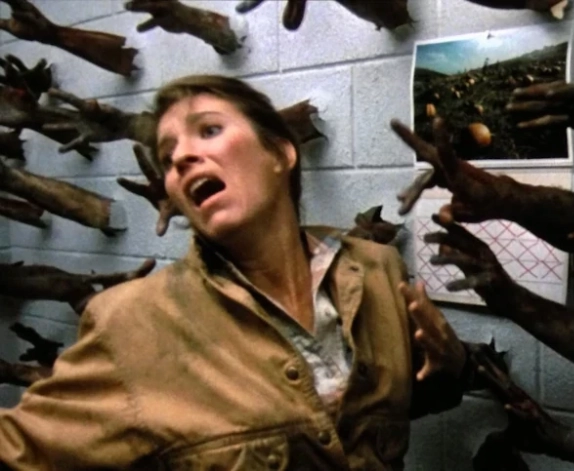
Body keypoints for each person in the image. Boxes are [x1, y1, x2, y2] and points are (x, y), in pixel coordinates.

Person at [0, 75, 471, 470]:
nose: (181, 158)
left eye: (208, 130)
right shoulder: (131, 323)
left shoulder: (377, 269)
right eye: (167, 156)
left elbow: (398, 407)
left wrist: (451, 367)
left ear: (280, 154)